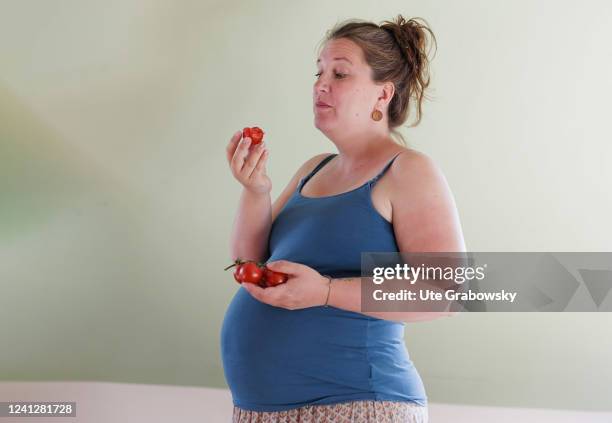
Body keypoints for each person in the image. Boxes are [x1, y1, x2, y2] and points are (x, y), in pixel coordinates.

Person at [221, 15, 465, 423]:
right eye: (319, 72)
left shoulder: (407, 171)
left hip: (357, 406)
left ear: (383, 94)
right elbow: (249, 262)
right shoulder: (314, 169)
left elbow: (448, 293)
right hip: (261, 411)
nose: (321, 84)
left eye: (340, 73)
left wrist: (327, 292)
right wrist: (255, 191)